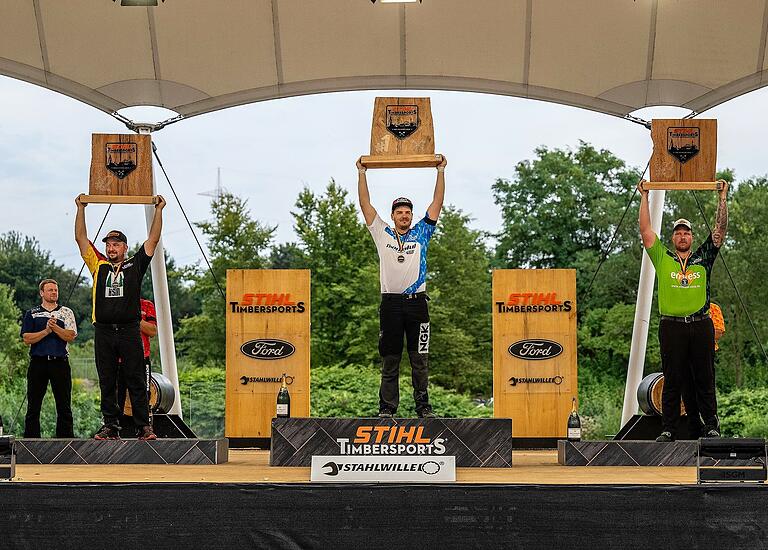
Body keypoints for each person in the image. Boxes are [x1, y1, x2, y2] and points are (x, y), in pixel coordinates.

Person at [638, 180, 728, 442]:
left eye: (686, 232)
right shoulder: (663, 257)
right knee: (673, 378)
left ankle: (711, 425)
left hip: (701, 324)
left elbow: (720, 230)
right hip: (672, 325)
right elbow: (645, 231)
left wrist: (722, 197)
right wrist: (645, 196)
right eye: (678, 232)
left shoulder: (703, 258)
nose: (682, 236)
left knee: (704, 378)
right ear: (673, 237)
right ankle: (668, 429)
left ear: (691, 237)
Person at [356, 156, 446, 418]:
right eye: (399, 212)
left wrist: (440, 171)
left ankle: (423, 407)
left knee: (420, 359)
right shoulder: (381, 232)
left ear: (411, 215)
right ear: (393, 216)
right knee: (390, 359)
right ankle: (387, 409)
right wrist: (362, 173)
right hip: (391, 304)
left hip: (418, 303)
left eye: (408, 212)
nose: (404, 216)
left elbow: (437, 203)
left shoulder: (422, 232)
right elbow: (365, 205)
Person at [74, 194, 166, 440]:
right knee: (107, 380)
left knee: (135, 378)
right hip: (103, 330)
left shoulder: (134, 265)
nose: (111, 248)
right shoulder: (98, 265)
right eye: (108, 244)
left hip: (129, 329)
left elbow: (153, 240)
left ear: (125, 247)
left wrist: (158, 210)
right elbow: (80, 238)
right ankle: (110, 426)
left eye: (116, 244)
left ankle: (143, 426)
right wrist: (80, 208)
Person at [20, 279, 78, 438]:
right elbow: (27, 338)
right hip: (38, 363)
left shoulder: (66, 312)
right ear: (42, 293)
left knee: (64, 404)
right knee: (33, 405)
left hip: (60, 362)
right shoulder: (32, 313)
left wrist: (55, 327)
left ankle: (65, 440)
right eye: (50, 290)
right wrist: (46, 331)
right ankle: (31, 440)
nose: (54, 293)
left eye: (56, 290)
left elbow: (70, 335)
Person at [117, 297, 157, 435]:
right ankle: (114, 428)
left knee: (143, 393)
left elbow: (152, 331)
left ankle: (144, 428)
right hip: (118, 358)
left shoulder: (146, 305)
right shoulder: (115, 304)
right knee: (117, 394)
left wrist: (134, 318)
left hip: (141, 357)